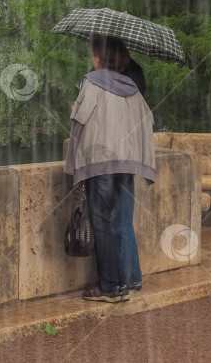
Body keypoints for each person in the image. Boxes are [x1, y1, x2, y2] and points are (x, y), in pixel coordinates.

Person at [64, 34, 156, 303]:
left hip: (100, 162)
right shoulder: (131, 86)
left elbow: (79, 121)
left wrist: (73, 164)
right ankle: (123, 282)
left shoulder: (92, 83)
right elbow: (146, 122)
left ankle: (110, 288)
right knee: (118, 221)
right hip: (126, 164)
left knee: (102, 223)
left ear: (98, 58)